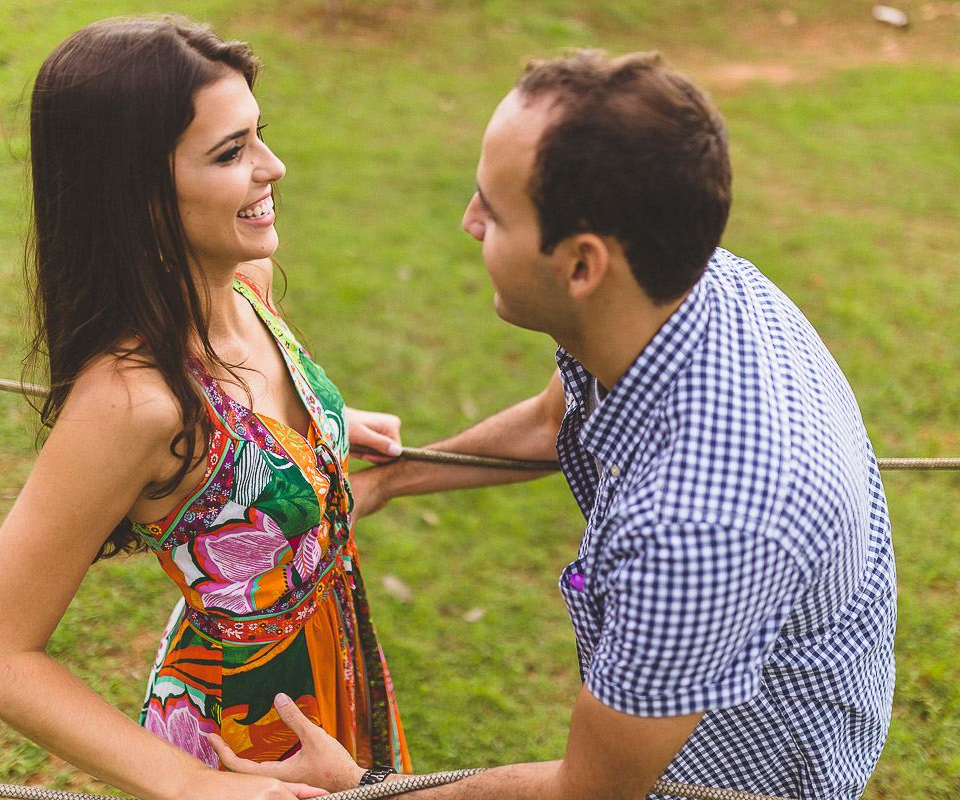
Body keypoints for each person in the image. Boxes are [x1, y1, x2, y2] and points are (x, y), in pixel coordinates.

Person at [214, 51, 898, 799]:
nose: (468, 222)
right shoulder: (674, 288)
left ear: (581, 266)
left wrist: (360, 788)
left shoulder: (706, 522)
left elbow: (589, 791)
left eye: (494, 211)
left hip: (738, 773)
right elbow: (555, 420)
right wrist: (389, 480)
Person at [0, 16, 410, 800]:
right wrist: (194, 786)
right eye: (231, 152)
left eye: (259, 135)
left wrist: (319, 439)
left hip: (331, 664)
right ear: (136, 194)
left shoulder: (246, 289)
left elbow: (243, 450)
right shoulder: (134, 401)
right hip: (237, 736)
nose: (274, 166)